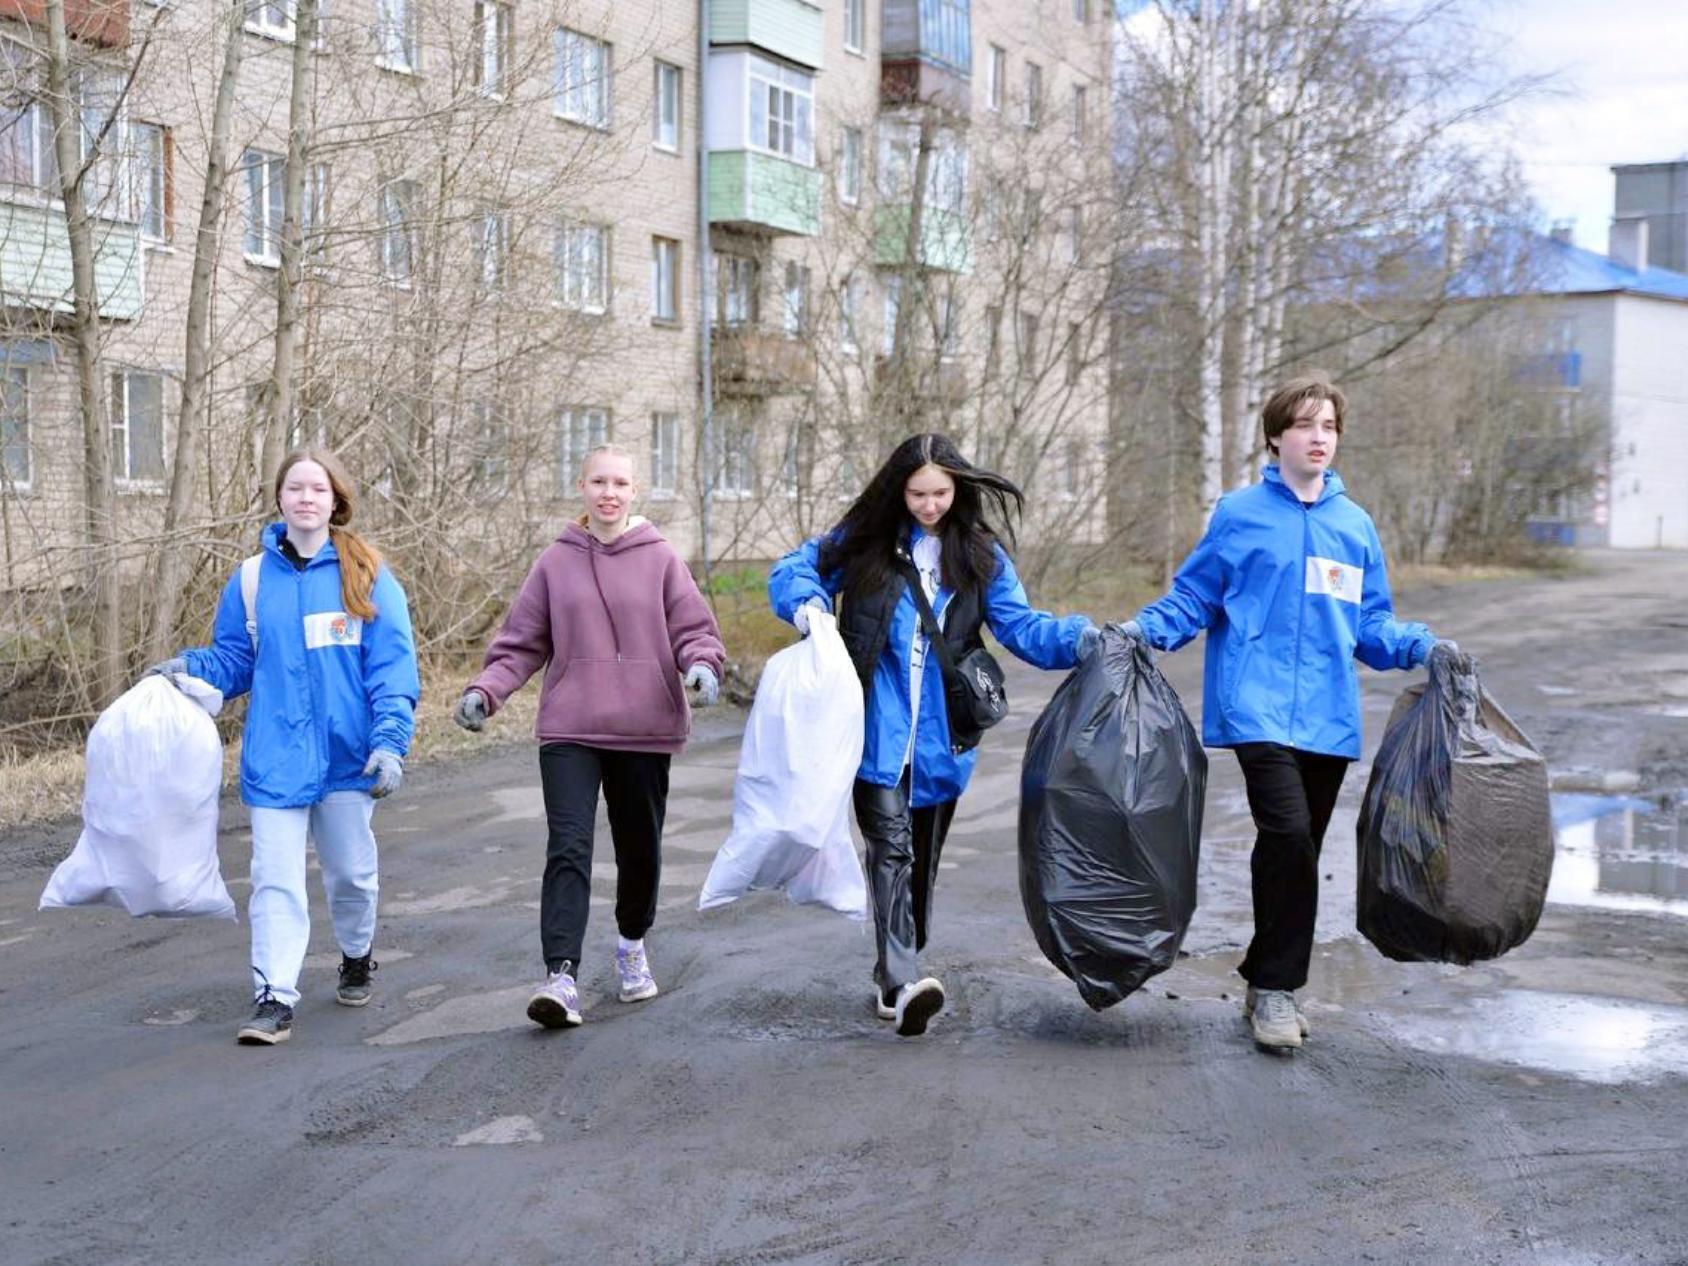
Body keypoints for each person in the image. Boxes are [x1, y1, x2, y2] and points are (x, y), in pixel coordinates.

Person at [1122, 373, 1457, 1052]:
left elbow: (1370, 625)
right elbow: (1195, 598)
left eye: (1329, 426)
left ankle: (1265, 975)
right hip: (1256, 705)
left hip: (1328, 716)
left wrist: (1425, 645)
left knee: (1292, 849)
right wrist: (1138, 632)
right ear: (1275, 436)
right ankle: (1278, 990)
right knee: (1289, 834)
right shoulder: (1240, 514)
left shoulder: (1353, 526)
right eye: (1305, 425)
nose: (1318, 438)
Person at [769, 433, 1098, 1037]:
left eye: (940, 493)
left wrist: (1082, 640)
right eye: (917, 493)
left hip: (944, 737)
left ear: (958, 490)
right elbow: (793, 569)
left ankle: (899, 961)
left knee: (921, 861)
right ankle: (901, 981)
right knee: (889, 850)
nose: (928, 505)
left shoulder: (979, 554)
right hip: (872, 729)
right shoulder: (864, 543)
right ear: (898, 490)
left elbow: (1022, 626)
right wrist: (809, 607)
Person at [148, 449, 419, 1046]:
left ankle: (355, 953)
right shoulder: (250, 580)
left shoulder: (367, 572)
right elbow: (236, 660)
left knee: (351, 875)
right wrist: (189, 668)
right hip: (276, 757)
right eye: (295, 488)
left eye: (316, 490)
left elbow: (392, 669)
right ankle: (274, 995)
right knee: (275, 878)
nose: (305, 498)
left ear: (334, 500)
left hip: (350, 760)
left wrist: (390, 743)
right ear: (279, 498)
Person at [454, 443, 725, 1029]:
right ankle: (561, 977)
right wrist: (486, 692)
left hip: (644, 727)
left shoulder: (660, 559)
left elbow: (694, 629)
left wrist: (702, 665)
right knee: (569, 846)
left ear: (634, 492)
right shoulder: (555, 562)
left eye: (620, 483)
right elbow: (521, 642)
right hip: (571, 727)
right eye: (598, 481)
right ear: (580, 487)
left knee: (639, 847)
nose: (609, 492)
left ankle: (631, 945)